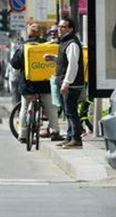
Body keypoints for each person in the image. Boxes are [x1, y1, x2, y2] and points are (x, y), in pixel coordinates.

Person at [10, 23, 62, 144]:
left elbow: (14, 63)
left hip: (27, 84)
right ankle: (55, 132)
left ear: (28, 33)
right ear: (41, 33)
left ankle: (22, 135)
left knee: (24, 108)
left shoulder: (23, 47)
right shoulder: (46, 45)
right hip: (45, 84)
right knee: (51, 108)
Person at [44, 16, 84, 149]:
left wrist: (66, 83)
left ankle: (76, 138)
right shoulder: (65, 42)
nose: (60, 29)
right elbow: (66, 61)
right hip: (65, 82)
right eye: (59, 26)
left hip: (72, 84)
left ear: (70, 29)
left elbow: (73, 65)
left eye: (63, 27)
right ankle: (69, 137)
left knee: (71, 112)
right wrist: (54, 59)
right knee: (68, 111)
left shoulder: (72, 43)